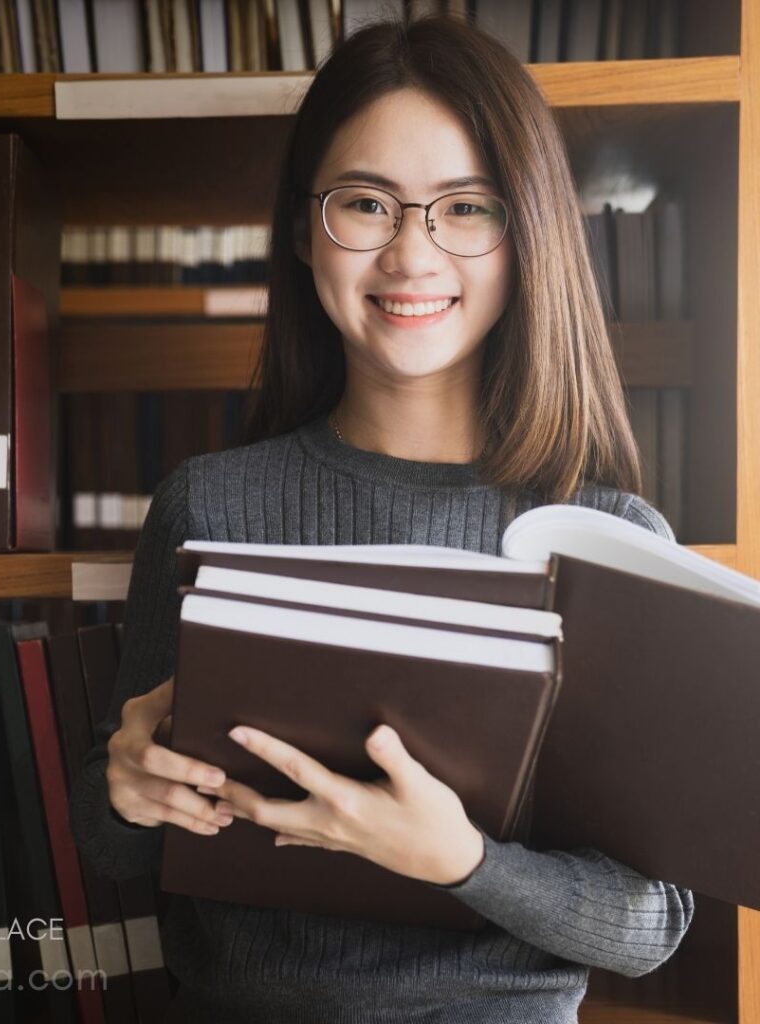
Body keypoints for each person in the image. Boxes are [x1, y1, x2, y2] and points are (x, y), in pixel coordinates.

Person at [70, 11, 693, 1023]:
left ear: (525, 232)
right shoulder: (209, 503)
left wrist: (460, 862)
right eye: (366, 202)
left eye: (465, 208)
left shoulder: (611, 539)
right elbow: (112, 847)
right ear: (302, 226)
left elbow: (650, 920)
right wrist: (126, 786)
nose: (412, 253)